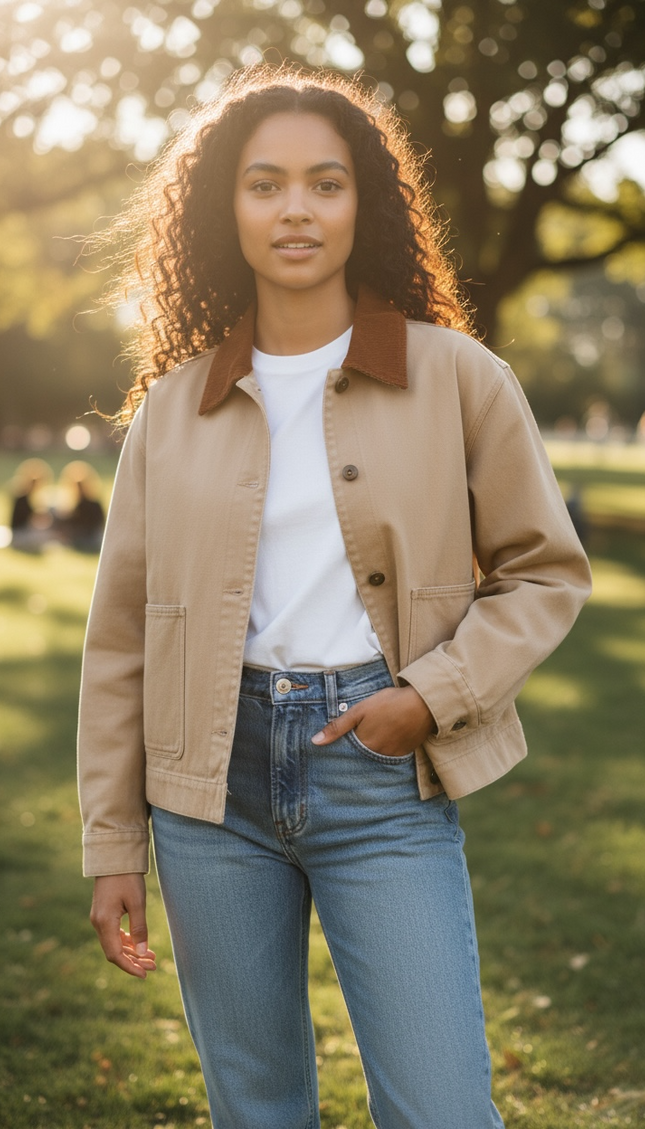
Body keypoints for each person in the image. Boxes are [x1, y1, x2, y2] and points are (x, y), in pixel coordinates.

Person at [78, 65, 592, 1129]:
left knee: (443, 1108)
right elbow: (121, 638)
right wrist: (112, 844)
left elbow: (545, 572)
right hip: (207, 797)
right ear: (229, 208)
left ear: (366, 204)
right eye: (265, 185)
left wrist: (434, 694)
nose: (296, 210)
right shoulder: (173, 411)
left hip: (384, 776)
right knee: (256, 1110)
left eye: (326, 183)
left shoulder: (460, 377)